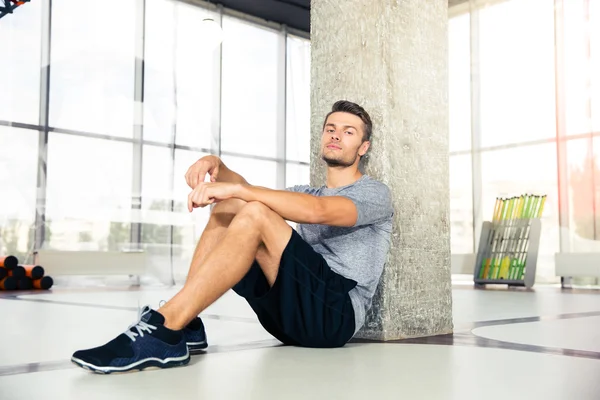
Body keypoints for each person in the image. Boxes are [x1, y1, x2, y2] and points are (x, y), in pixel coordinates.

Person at [71, 100, 394, 374]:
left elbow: (319, 211)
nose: (336, 135)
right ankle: (185, 324)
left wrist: (240, 190)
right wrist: (217, 166)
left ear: (362, 148)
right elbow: (248, 191)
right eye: (331, 128)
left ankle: (165, 328)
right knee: (233, 205)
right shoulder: (302, 191)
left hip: (334, 317)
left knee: (254, 209)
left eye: (348, 132)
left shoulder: (374, 193)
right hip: (288, 318)